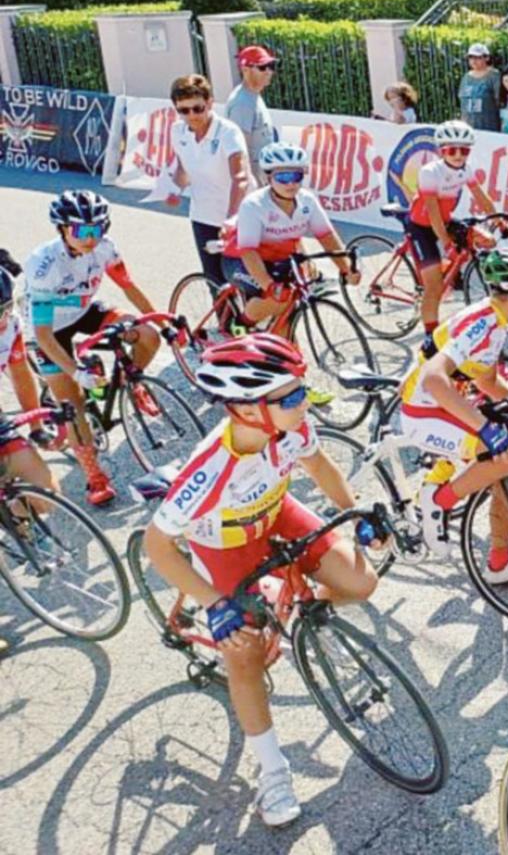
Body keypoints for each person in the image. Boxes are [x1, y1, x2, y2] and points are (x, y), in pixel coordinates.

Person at [142, 334, 380, 827]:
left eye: (302, 389)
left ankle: (295, 611)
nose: (304, 401)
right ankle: (272, 772)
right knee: (245, 655)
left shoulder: (290, 427)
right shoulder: (210, 468)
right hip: (225, 546)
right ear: (250, 410)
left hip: (276, 514)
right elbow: (157, 546)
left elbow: (320, 466)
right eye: (291, 396)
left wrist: (354, 513)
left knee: (361, 582)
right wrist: (215, 604)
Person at [398, 249, 508, 582]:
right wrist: (486, 430)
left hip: (447, 405)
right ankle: (437, 501)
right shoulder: (482, 324)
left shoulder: (497, 322)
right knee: (503, 454)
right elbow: (434, 379)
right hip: (424, 410)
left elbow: (486, 382)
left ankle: (499, 563)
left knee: (506, 459)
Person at [23, 191, 161, 506]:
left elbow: (129, 287)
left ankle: (129, 382)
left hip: (85, 311)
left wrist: (162, 323)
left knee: (147, 335)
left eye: (96, 229)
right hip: (50, 328)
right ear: (62, 229)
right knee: (74, 405)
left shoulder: (105, 248)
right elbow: (43, 334)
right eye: (81, 230)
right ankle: (94, 477)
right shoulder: (43, 264)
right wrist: (75, 373)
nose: (90, 238)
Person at [219, 142, 359, 336]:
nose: (290, 184)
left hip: (281, 258)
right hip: (241, 259)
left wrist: (346, 269)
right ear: (269, 177)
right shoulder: (254, 205)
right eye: (283, 177)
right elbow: (248, 252)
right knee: (277, 298)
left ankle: (284, 348)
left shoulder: (307, 201)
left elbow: (326, 237)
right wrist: (269, 285)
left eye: (296, 176)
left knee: (290, 306)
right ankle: (239, 323)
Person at [408, 121, 498, 334]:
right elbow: (432, 213)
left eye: (464, 150)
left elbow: (481, 196)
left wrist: (499, 219)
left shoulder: (466, 169)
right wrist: (447, 243)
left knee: (487, 240)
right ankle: (430, 335)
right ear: (441, 150)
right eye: (451, 150)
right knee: (434, 287)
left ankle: (452, 273)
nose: (458, 155)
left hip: (444, 220)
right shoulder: (430, 172)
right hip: (421, 226)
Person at [169, 74, 251, 287]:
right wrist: (174, 189)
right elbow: (183, 169)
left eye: (198, 108)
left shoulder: (228, 132)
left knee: (247, 282)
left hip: (240, 218)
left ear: (210, 103)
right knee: (215, 283)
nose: (192, 115)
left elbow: (240, 178)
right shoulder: (177, 131)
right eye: (184, 110)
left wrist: (232, 218)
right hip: (203, 217)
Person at [224, 45, 278, 186]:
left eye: (271, 66)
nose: (268, 72)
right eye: (262, 67)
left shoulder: (253, 96)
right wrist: (250, 185)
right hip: (255, 183)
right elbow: (240, 149)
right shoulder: (242, 103)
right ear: (245, 70)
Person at [0, 253, 40, 416]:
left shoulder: (11, 323)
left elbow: (21, 374)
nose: (3, 320)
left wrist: (36, 425)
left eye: (7, 310)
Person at [458, 43, 502, 132]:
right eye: (471, 57)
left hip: (489, 126)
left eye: (477, 57)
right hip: (468, 127)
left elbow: (499, 101)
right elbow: (462, 101)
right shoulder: (466, 77)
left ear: (487, 58)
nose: (473, 61)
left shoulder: (494, 76)